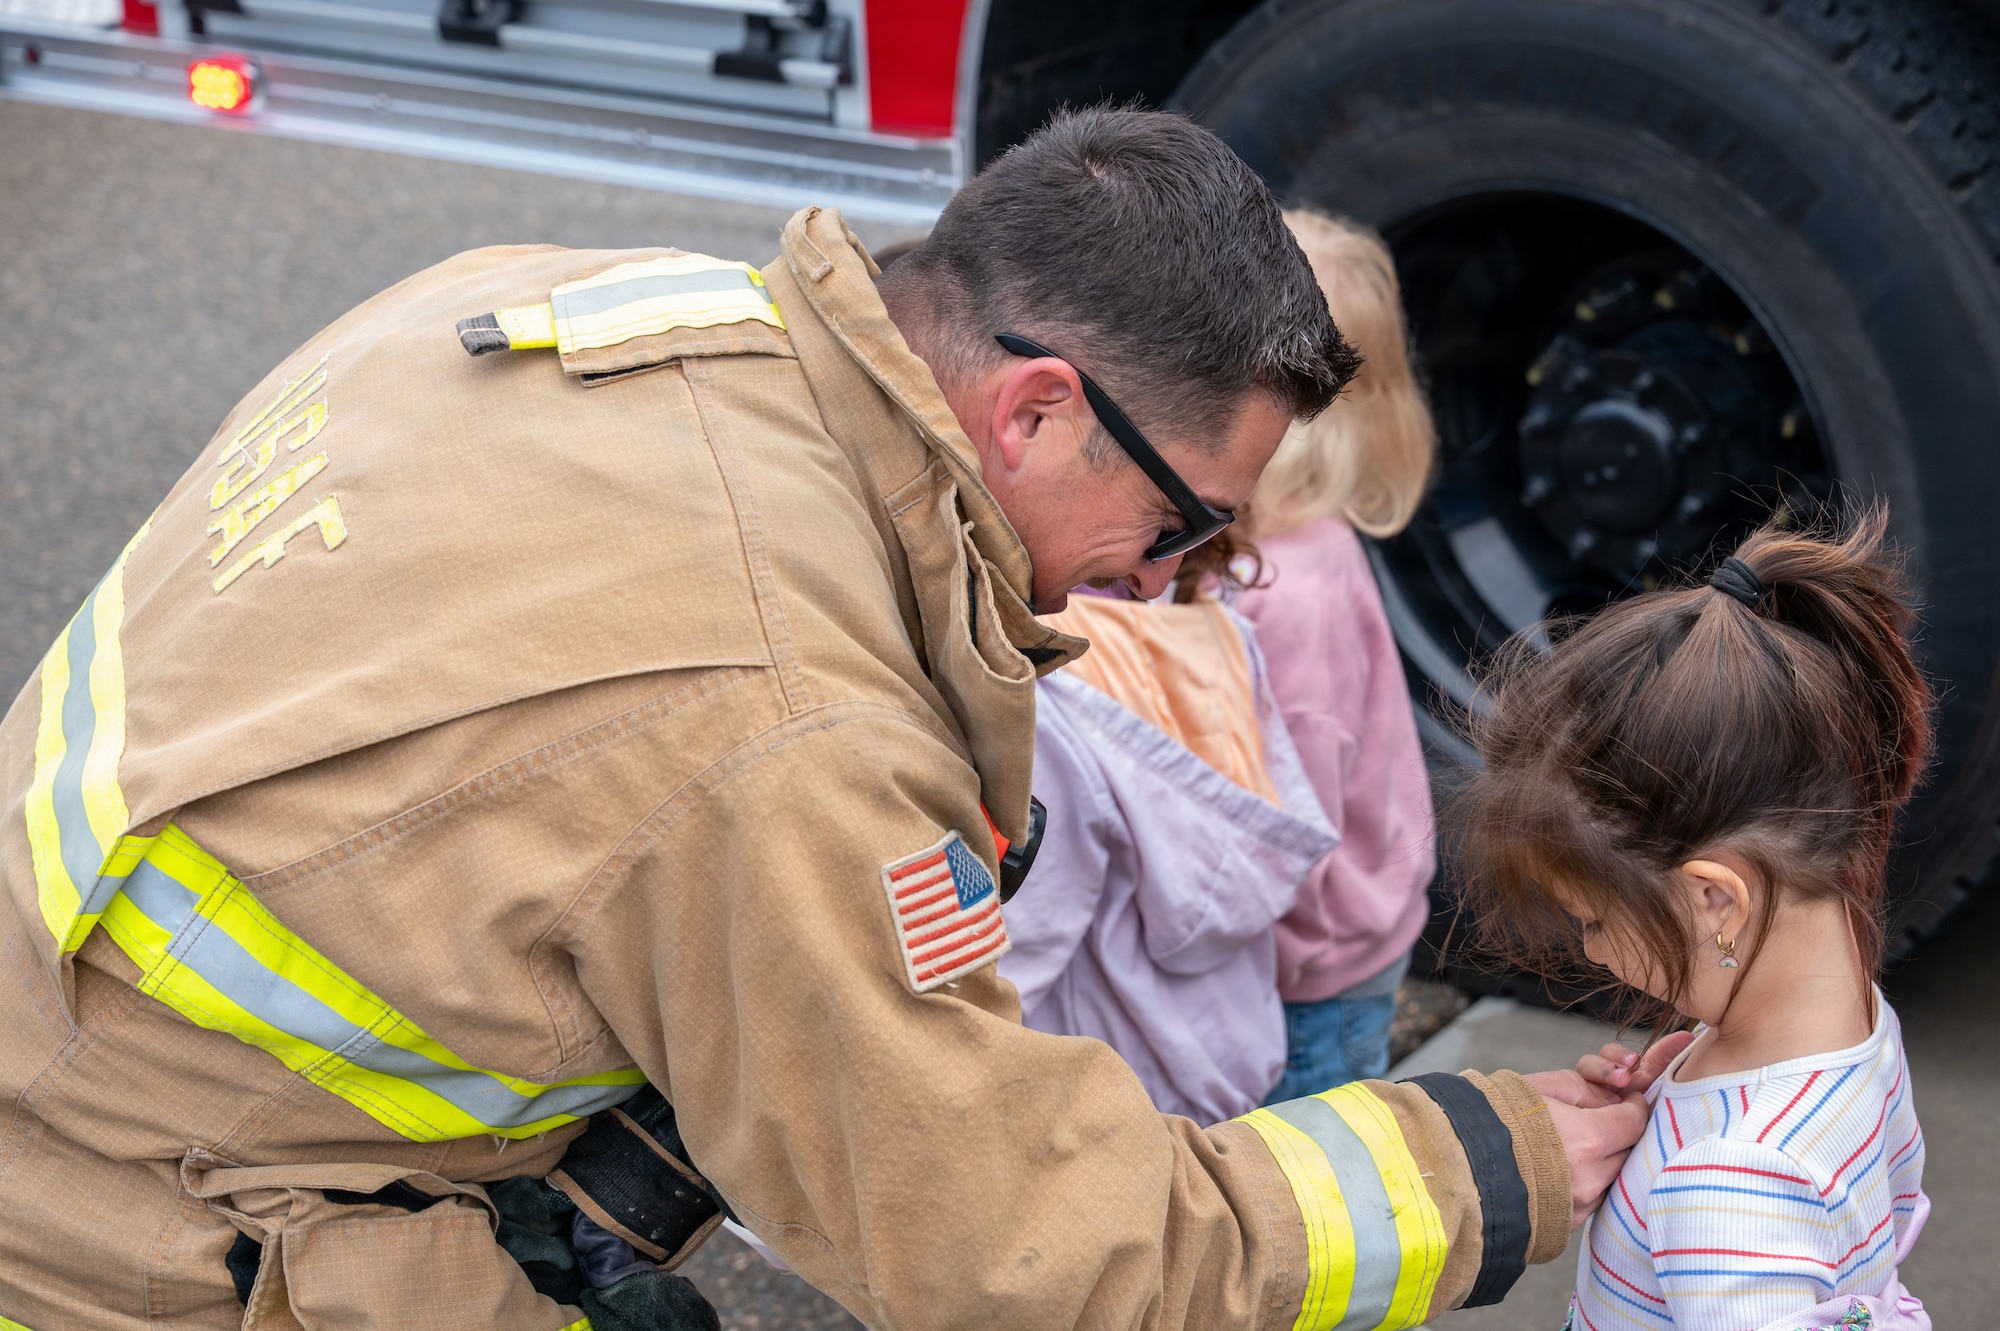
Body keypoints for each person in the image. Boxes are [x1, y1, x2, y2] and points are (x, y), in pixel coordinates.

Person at [0, 109, 1648, 1330]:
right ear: (1038, 410)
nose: (1160, 588)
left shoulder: (587, 309)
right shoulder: (788, 736)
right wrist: (1490, 1164)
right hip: (142, 1247)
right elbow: (1013, 1242)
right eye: (1180, 528)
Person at [1454, 511, 1933, 1330]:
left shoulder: (1733, 1181)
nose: (1593, 950)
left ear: (1717, 898)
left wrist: (1681, 1171)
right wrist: (1667, 1124)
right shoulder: (1858, 1025)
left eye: (1594, 919)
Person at [998, 564, 1338, 1123]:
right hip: (1233, 1054)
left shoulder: (1041, 682)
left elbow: (1016, 958)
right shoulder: (1220, 637)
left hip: (1121, 1104)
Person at [1234, 211, 1438, 1099]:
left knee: (1306, 1186)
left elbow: (1292, 825)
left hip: (1310, 972)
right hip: (1331, 946)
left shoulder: (1287, 595)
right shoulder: (1291, 548)